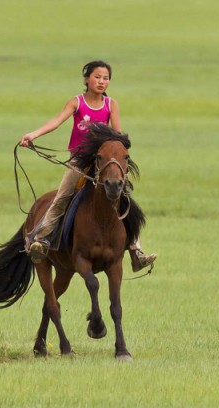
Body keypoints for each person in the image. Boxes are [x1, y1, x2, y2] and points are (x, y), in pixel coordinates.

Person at [19, 60, 157, 271]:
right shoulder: (76, 103)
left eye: (106, 78)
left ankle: (136, 250)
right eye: (97, 77)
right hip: (79, 161)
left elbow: (117, 137)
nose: (102, 81)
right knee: (62, 196)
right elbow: (56, 122)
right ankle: (41, 240)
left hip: (103, 162)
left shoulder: (111, 104)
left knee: (125, 200)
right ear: (86, 79)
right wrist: (33, 134)